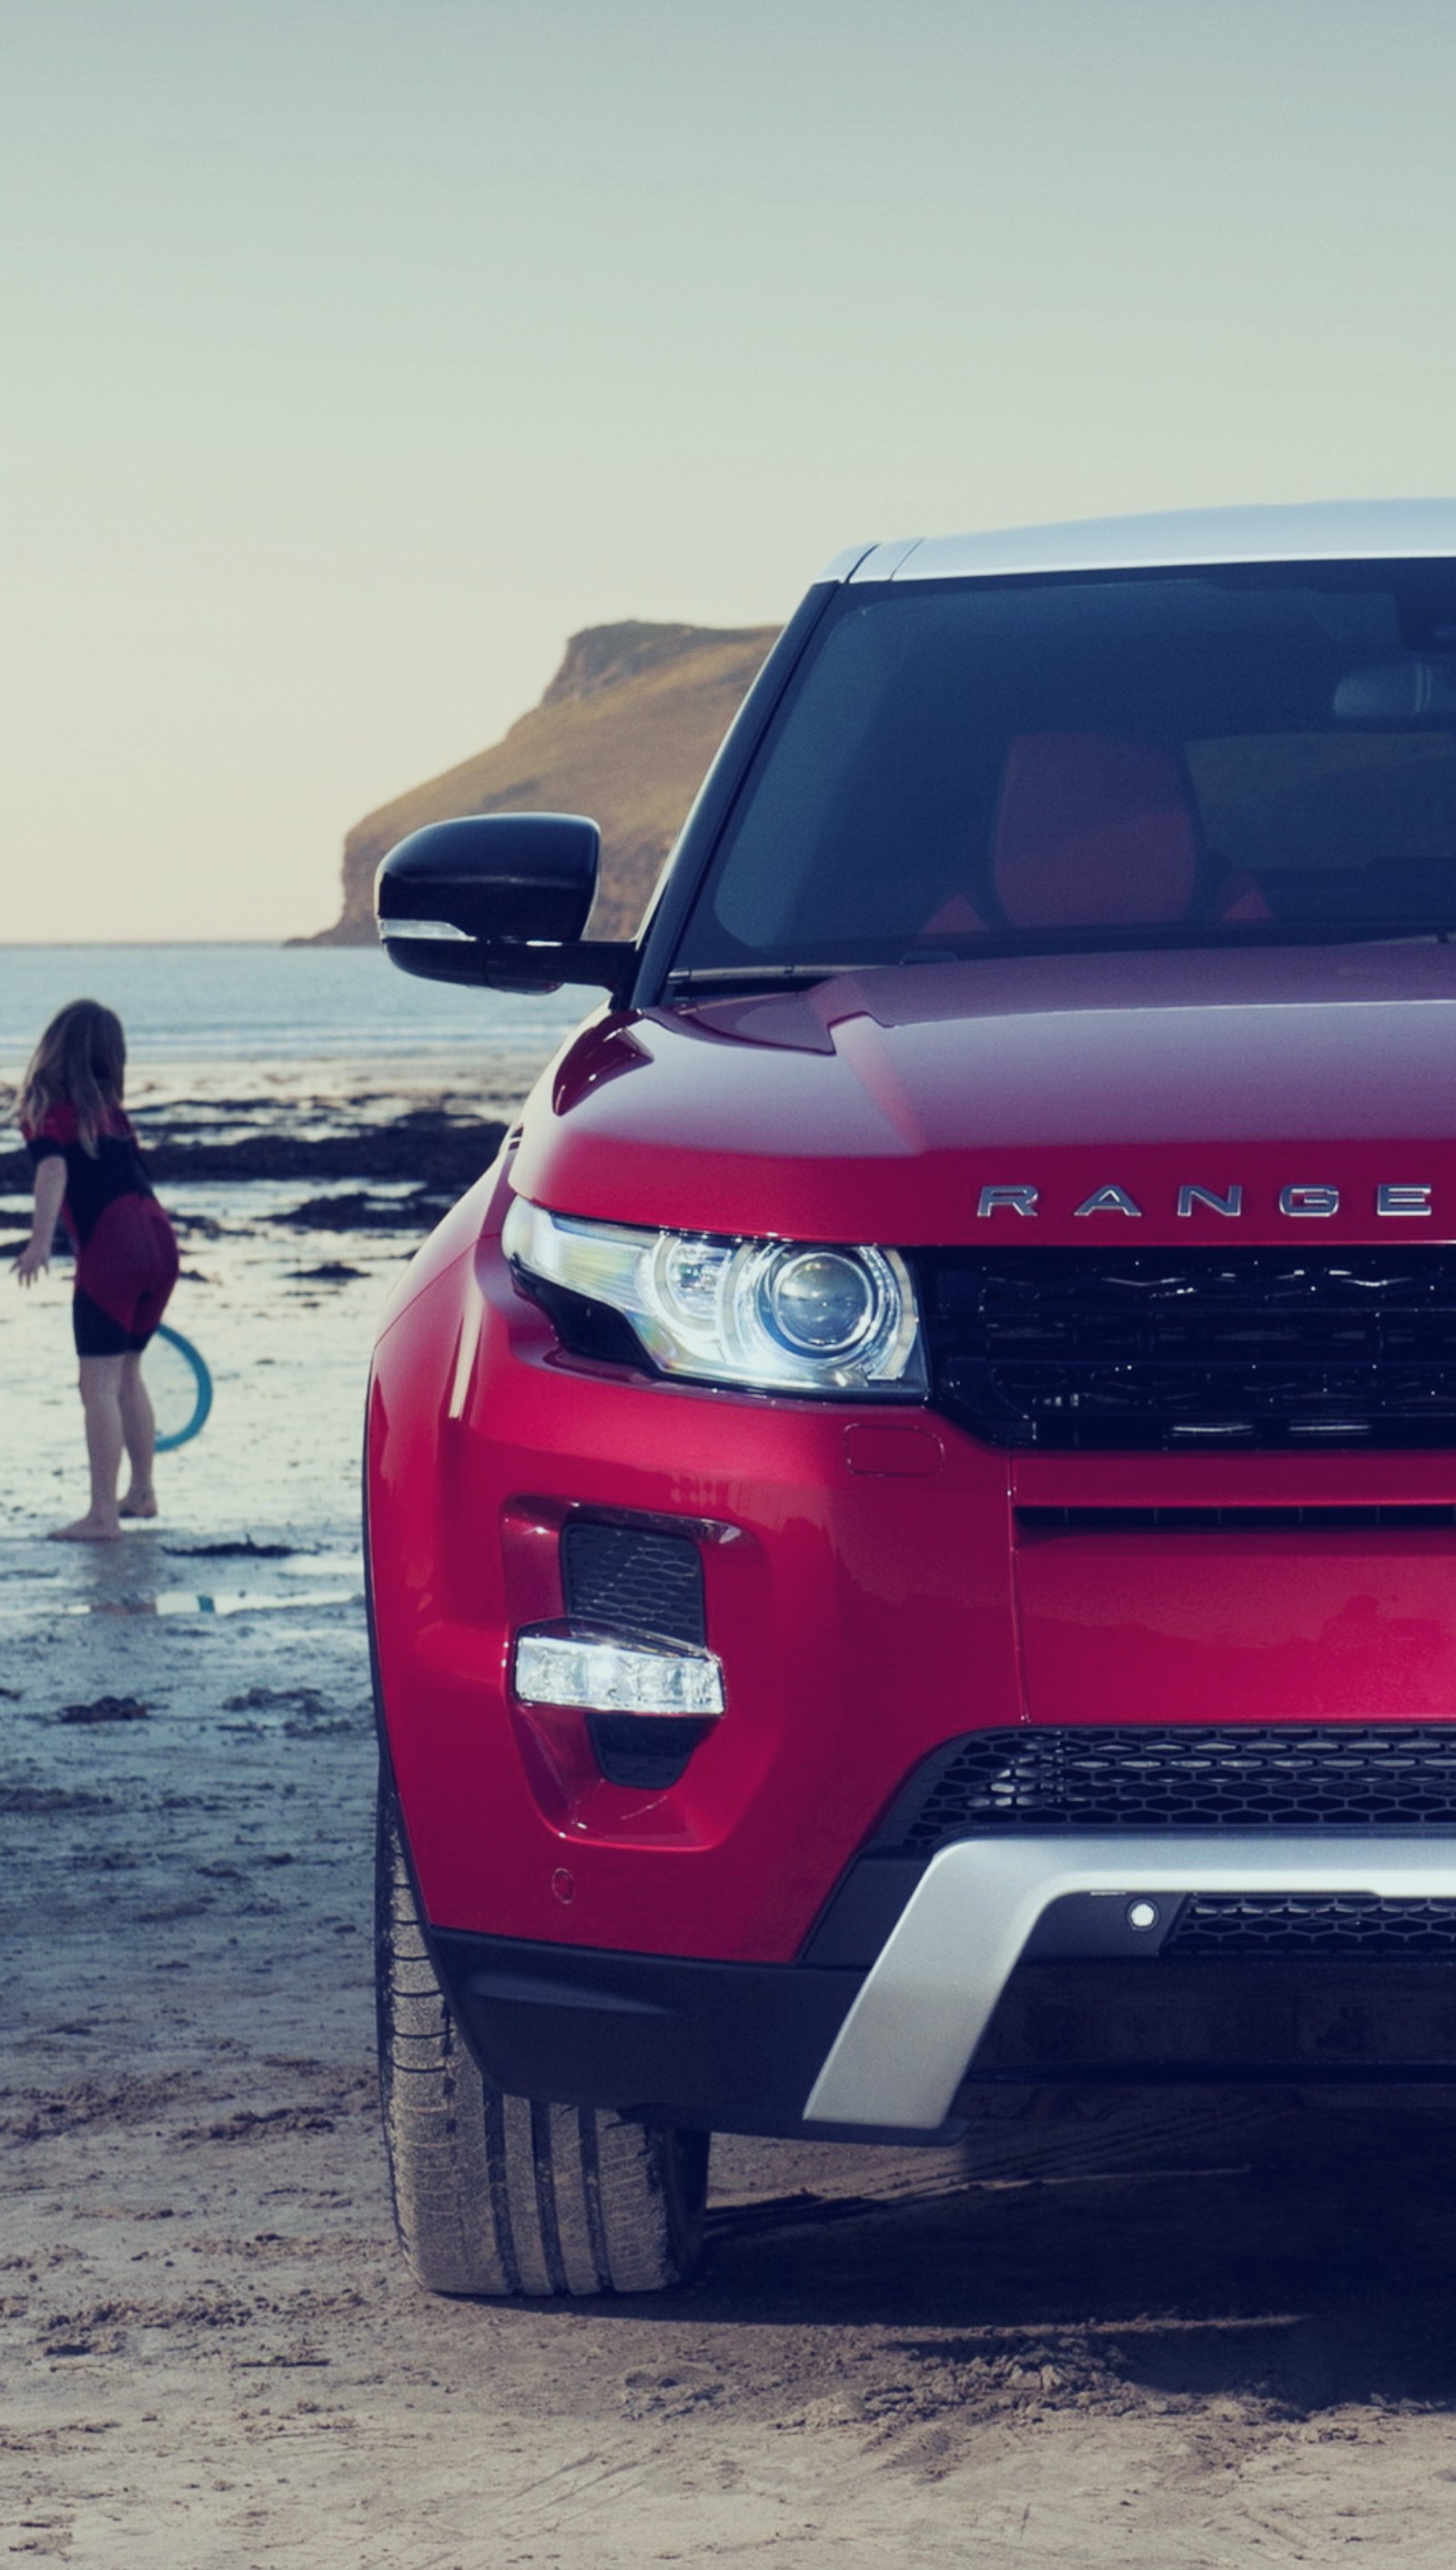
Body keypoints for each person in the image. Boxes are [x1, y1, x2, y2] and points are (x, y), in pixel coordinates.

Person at [12, 1000, 180, 1542]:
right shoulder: (111, 1112)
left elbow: (54, 1168)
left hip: (112, 1249)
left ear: (52, 1046)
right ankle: (143, 1493)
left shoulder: (43, 1108)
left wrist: (40, 1243)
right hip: (158, 1241)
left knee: (97, 1385)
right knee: (128, 1373)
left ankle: (103, 1516)